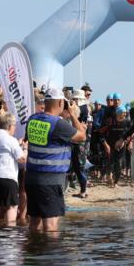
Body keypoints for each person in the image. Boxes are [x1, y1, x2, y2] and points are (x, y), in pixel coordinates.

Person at [24, 87, 87, 233]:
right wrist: (72, 114)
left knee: (34, 222)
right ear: (60, 103)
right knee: (50, 225)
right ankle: (51, 255)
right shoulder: (59, 124)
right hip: (51, 181)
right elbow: (82, 136)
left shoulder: (32, 120)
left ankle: (33, 251)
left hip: (32, 178)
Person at [0, 113, 26, 226]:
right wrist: (25, 148)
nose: (15, 129)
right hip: (7, 177)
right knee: (11, 207)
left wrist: (18, 145)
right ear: (10, 126)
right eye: (14, 126)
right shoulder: (11, 139)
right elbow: (21, 159)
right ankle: (9, 237)